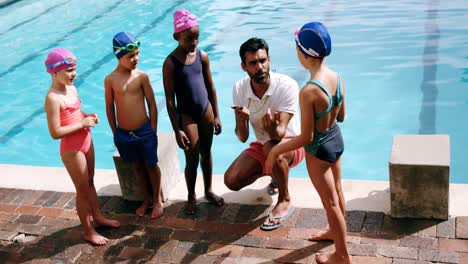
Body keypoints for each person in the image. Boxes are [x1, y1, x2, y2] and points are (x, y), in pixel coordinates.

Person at [265, 22, 350, 263]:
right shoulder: (337, 77)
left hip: (319, 149)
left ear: (303, 54)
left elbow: (306, 137)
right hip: (336, 139)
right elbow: (341, 116)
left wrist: (276, 151)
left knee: (330, 202)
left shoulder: (309, 91)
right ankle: (335, 233)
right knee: (338, 192)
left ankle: (342, 255)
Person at [224, 37, 305, 231]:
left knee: (271, 147)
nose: (259, 67)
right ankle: (275, 174)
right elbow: (242, 137)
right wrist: (241, 120)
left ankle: (284, 199)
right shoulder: (239, 88)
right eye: (253, 63)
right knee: (231, 181)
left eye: (263, 61)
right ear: (244, 66)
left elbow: (280, 133)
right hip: (263, 145)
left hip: (293, 144)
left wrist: (271, 131)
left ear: (269, 60)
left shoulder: (287, 86)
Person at [44, 48, 120, 245]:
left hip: (86, 139)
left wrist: (87, 116)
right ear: (54, 72)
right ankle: (88, 231)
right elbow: (55, 133)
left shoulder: (71, 88)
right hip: (72, 148)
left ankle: (98, 217)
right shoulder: (53, 98)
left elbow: (75, 112)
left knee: (91, 183)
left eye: (74, 69)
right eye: (68, 70)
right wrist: (81, 124)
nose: (73, 74)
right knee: (82, 190)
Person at [162, 9, 224, 215]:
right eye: (189, 38)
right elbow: (170, 100)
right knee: (192, 157)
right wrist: (177, 129)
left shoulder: (202, 56)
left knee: (207, 153)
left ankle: (208, 191)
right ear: (177, 37)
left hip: (205, 110)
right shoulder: (170, 63)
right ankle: (191, 196)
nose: (194, 42)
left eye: (197, 37)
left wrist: (216, 114)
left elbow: (211, 87)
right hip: (186, 115)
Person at [105, 32, 163, 219]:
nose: (135, 58)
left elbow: (152, 104)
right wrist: (115, 132)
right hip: (124, 134)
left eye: (137, 53)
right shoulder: (110, 80)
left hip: (144, 131)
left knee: (151, 165)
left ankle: (157, 200)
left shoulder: (141, 76)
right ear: (119, 56)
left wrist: (153, 130)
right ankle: (145, 199)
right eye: (131, 56)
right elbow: (109, 108)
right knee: (137, 167)